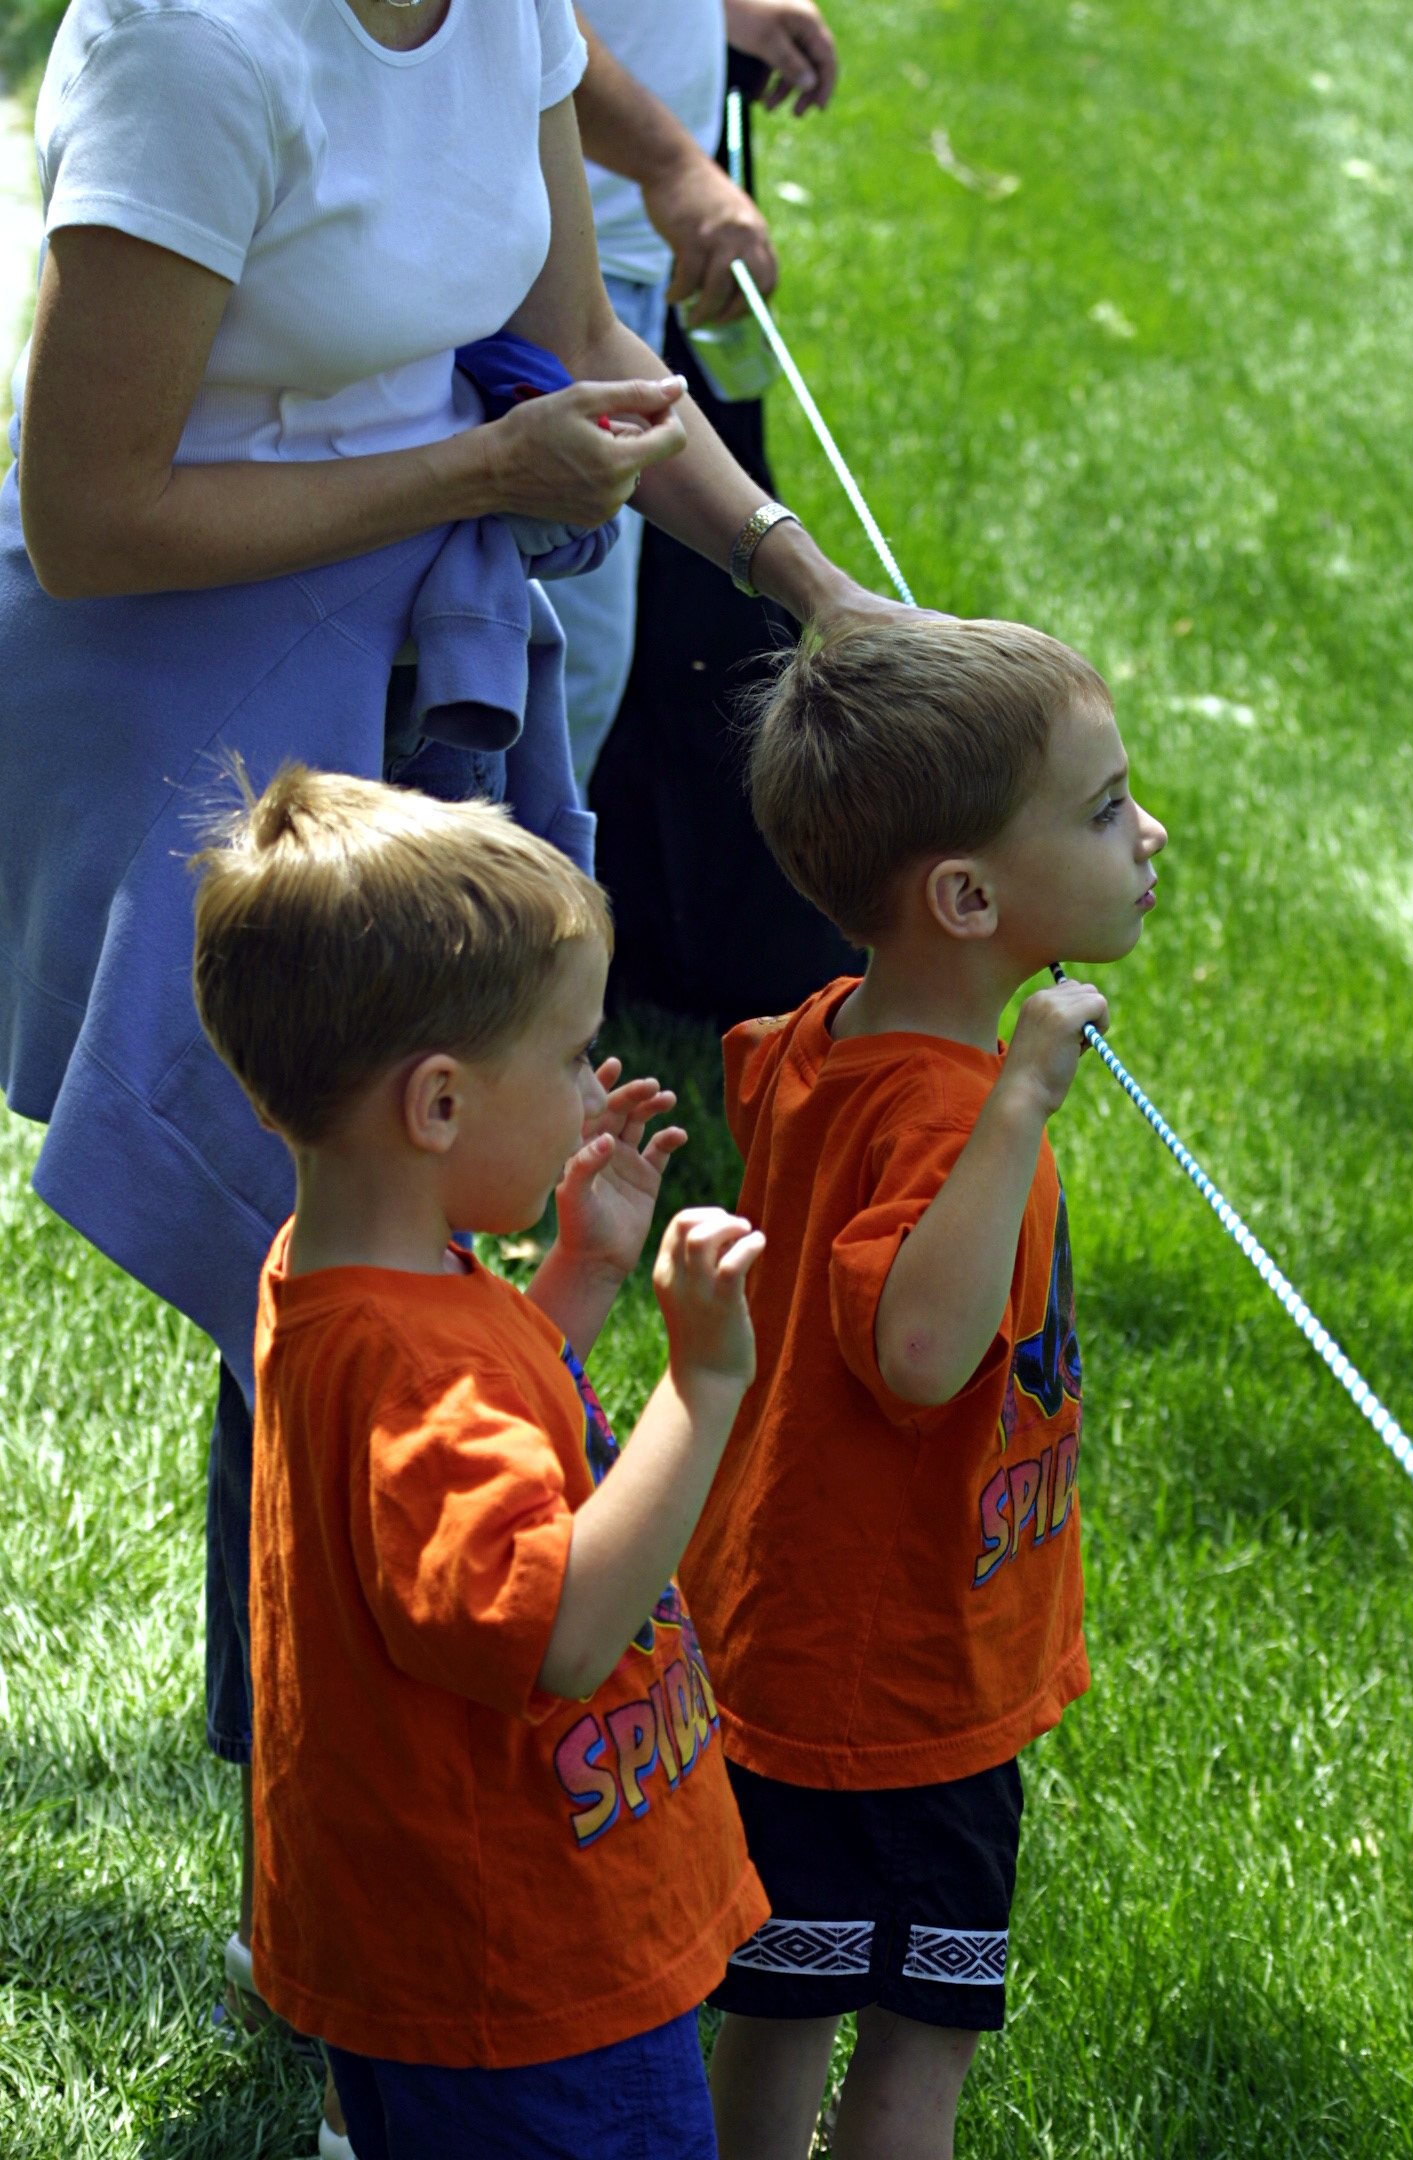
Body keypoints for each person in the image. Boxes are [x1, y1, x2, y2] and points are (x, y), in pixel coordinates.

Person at [0, 0, 899, 2123]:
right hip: (192, 700)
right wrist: (484, 472)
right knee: (329, 1293)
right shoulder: (194, 43)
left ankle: (367, 1878)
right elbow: (90, 513)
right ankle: (365, 1916)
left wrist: (811, 589)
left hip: (411, 645)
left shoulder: (505, 8)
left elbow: (583, 352)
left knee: (384, 1287)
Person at [190, 765, 769, 2158]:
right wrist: (703, 1387)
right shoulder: (417, 1368)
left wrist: (579, 1271)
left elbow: (469, 1456)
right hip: (529, 1982)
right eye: (570, 1056)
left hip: (428, 1958)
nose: (588, 1089)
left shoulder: (335, 1278)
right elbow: (562, 1628)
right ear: (439, 1105)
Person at [679, 616, 1169, 2159]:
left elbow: (776, 1079)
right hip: (893, 1688)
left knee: (779, 2011)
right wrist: (1017, 1101)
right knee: (915, 2040)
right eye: (1105, 808)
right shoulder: (962, 1116)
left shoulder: (825, 1037)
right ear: (966, 899)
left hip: (797, 1635)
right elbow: (918, 1349)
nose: (1149, 834)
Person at [558, 0, 838, 794]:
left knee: (583, 687)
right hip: (554, 263)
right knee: (555, 691)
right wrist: (672, 167)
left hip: (628, 261)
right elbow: (523, 21)